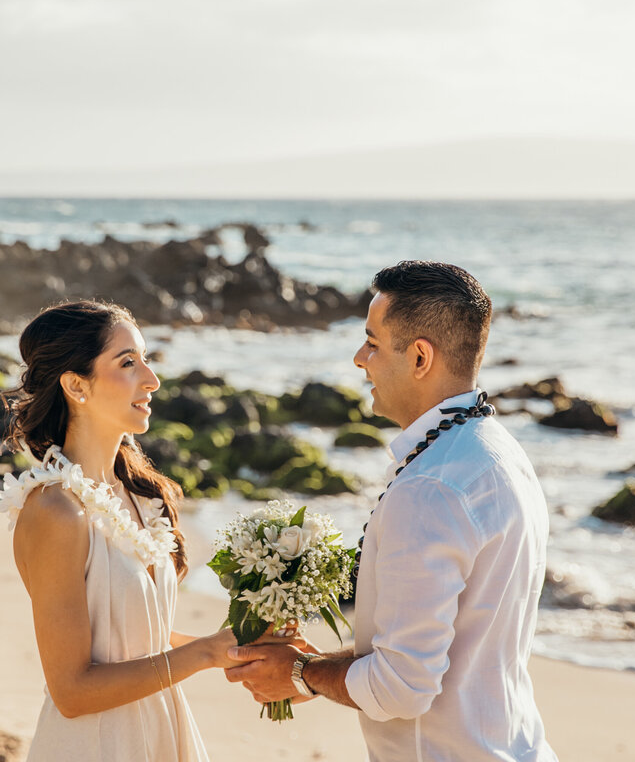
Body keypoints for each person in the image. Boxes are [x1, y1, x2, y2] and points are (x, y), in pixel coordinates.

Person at [226, 261, 557, 761]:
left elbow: (403, 688)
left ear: (421, 356)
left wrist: (298, 674)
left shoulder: (429, 488)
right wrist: (317, 667)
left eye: (373, 342)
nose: (360, 359)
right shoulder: (498, 452)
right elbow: (452, 646)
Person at [0, 300, 239, 762]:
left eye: (145, 360)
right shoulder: (55, 511)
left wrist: (234, 645)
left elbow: (137, 637)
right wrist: (204, 655)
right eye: (128, 363)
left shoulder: (141, 497)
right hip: (97, 745)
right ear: (75, 385)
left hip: (164, 733)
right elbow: (71, 690)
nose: (151, 379)